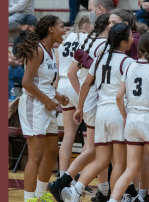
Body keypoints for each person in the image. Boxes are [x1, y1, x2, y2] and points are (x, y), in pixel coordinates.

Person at [61, 23, 134, 202]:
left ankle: (75, 191)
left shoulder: (101, 58)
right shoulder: (128, 62)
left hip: (101, 112)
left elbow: (85, 83)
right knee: (118, 162)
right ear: (124, 42)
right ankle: (114, 199)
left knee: (101, 160)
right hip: (117, 113)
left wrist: (80, 107)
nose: (133, 39)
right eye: (131, 36)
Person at [48, 12, 106, 202]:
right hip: (78, 85)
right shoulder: (89, 38)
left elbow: (58, 66)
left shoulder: (65, 39)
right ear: (87, 25)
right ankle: (75, 179)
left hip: (63, 83)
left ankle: (63, 175)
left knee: (68, 136)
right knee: (91, 140)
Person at [107, 31, 149, 202]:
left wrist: (125, 116)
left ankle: (113, 200)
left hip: (132, 118)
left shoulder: (129, 66)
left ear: (139, 49)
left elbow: (119, 96)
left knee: (130, 169)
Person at [14, 15, 68, 202]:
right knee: (35, 155)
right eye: (62, 26)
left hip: (46, 103)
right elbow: (27, 83)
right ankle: (29, 199)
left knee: (52, 152)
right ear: (51, 29)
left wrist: (57, 96)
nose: (65, 30)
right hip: (33, 105)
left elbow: (45, 82)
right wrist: (47, 100)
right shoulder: (37, 51)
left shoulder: (52, 51)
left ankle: (40, 194)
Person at [9, 14, 37, 102]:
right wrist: (13, 60)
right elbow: (16, 57)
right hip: (21, 70)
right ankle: (11, 99)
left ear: (31, 27)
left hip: (35, 74)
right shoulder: (19, 38)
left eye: (22, 25)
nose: (20, 27)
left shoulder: (40, 40)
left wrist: (20, 60)